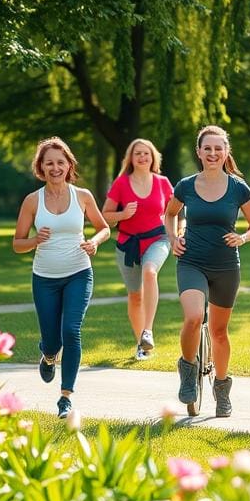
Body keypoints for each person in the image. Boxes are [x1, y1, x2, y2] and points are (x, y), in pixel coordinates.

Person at [164, 125, 250, 417]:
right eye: (207, 148)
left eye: (218, 148)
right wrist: (173, 239)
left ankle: (221, 388)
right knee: (194, 317)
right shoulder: (185, 185)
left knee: (219, 331)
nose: (212, 153)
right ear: (198, 152)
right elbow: (170, 213)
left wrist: (243, 237)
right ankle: (187, 368)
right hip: (191, 260)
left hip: (225, 266)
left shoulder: (238, 188)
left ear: (225, 152)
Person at [12, 137, 110, 419]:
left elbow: (104, 229)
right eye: (49, 163)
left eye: (60, 162)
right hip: (44, 278)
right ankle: (48, 354)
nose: (55, 167)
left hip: (79, 272)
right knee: (53, 340)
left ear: (69, 165)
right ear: (41, 167)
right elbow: (17, 243)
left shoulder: (83, 196)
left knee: (72, 330)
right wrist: (34, 240)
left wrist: (94, 242)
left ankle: (65, 397)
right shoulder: (32, 201)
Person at [101, 138, 175, 361]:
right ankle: (141, 345)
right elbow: (105, 215)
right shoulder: (121, 183)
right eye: (138, 154)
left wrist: (178, 232)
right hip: (128, 245)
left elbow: (176, 210)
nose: (142, 157)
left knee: (150, 271)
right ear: (130, 159)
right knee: (135, 296)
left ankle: (148, 330)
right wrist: (123, 215)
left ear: (153, 157)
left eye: (146, 153)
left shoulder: (162, 182)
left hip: (158, 239)